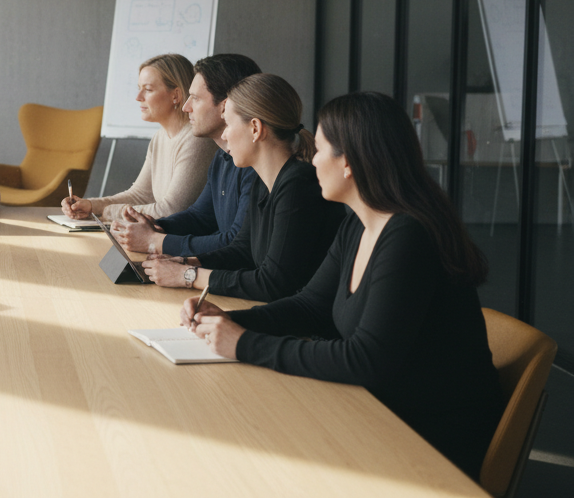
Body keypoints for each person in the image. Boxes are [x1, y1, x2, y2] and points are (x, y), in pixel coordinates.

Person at [185, 91, 502, 480]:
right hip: (378, 412)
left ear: (348, 162)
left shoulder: (408, 236)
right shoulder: (357, 221)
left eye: (318, 150)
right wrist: (231, 320)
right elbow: (309, 306)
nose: (311, 159)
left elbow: (366, 360)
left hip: (426, 442)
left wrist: (244, 344)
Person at [142, 73, 343, 301]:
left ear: (255, 129)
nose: (224, 134)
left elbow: (273, 283)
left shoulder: (298, 185)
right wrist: (186, 262)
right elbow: (242, 250)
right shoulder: (262, 181)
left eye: (227, 123)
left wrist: (188, 275)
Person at [111, 54, 262, 257]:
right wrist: (153, 227)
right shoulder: (222, 158)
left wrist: (157, 242)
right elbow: (199, 217)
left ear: (225, 106)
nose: (186, 106)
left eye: (196, 98)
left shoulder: (256, 165)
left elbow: (237, 243)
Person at [62, 53, 216, 221]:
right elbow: (140, 195)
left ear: (176, 96)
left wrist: (111, 212)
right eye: (139, 88)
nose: (138, 97)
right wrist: (91, 206)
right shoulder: (159, 137)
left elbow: (172, 210)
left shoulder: (196, 140)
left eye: (148, 89)